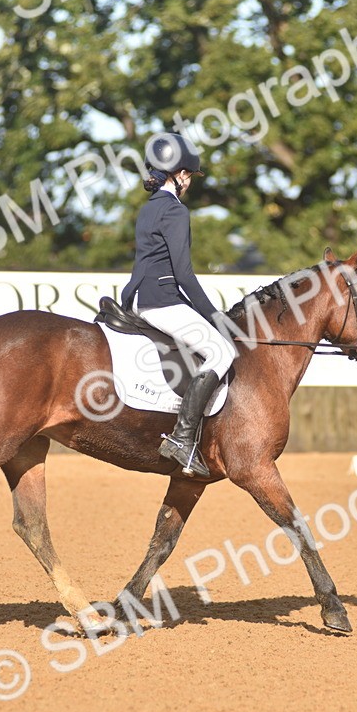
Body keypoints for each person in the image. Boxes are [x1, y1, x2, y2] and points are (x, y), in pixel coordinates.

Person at [120, 133, 237, 477]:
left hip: (142, 299)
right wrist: (215, 317)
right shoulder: (175, 210)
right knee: (222, 351)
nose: (189, 181)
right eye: (188, 175)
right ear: (179, 174)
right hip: (163, 302)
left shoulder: (149, 207)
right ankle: (182, 439)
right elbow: (184, 275)